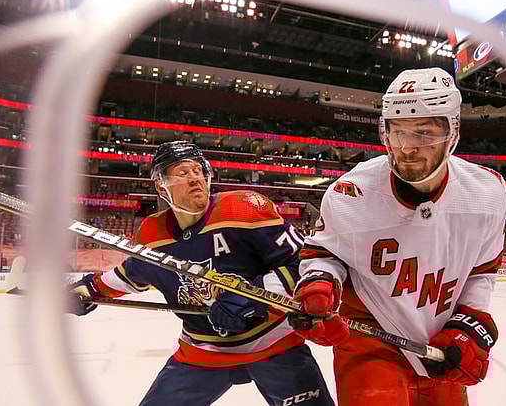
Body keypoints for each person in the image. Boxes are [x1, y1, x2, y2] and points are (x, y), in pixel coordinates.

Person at [291, 67, 506, 405]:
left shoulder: (488, 191)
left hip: (440, 342)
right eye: (397, 132)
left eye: (423, 133)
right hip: (368, 337)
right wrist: (319, 286)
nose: (406, 148)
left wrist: (470, 323)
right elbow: (323, 254)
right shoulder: (351, 192)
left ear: (453, 133)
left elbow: (482, 270)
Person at [68, 140, 334, 406]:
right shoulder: (153, 234)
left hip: (274, 344)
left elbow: (303, 263)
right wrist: (89, 290)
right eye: (183, 173)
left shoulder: (245, 209)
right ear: (161, 186)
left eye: (199, 171)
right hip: (202, 352)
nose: (195, 179)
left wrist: (255, 295)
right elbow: (132, 273)